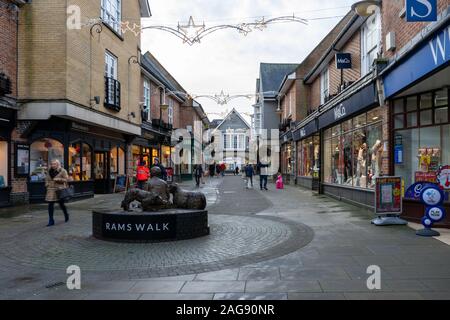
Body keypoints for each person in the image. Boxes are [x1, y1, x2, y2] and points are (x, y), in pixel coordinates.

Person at [45, 159, 69, 227]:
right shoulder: (49, 171)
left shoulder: (62, 170)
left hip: (59, 190)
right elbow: (46, 179)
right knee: (50, 205)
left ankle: (66, 214)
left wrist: (58, 179)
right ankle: (51, 220)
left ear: (58, 164)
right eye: (52, 164)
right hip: (51, 190)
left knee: (61, 204)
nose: (53, 165)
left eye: (54, 164)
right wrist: (47, 184)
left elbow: (66, 179)